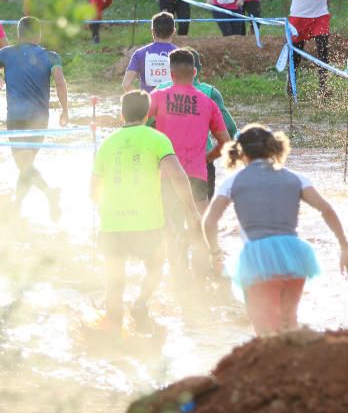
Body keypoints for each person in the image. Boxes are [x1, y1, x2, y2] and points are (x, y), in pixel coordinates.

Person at [202, 124, 348, 336]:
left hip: (257, 259)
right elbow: (327, 209)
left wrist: (215, 252)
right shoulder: (296, 178)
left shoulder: (233, 182)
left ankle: (273, 365)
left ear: (241, 153)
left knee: (265, 330)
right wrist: (344, 247)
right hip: (294, 255)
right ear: (274, 149)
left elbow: (210, 221)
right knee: (289, 322)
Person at [91, 90, 198, 335]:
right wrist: (191, 209)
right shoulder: (158, 139)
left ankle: (113, 340)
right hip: (147, 223)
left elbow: (93, 190)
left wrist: (104, 213)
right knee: (156, 265)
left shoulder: (107, 143)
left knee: (114, 283)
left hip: (112, 225)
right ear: (148, 115)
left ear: (121, 114)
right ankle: (141, 303)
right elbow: (178, 176)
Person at [148, 50, 230, 282]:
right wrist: (206, 157)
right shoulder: (207, 102)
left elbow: (136, 125)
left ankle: (177, 278)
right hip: (196, 173)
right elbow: (225, 142)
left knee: (170, 228)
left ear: (170, 74)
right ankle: (205, 275)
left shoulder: (158, 96)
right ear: (194, 73)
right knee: (201, 225)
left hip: (166, 174)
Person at [0, 17, 69, 218]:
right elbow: (61, 83)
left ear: (18, 35)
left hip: (16, 117)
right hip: (40, 119)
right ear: (39, 35)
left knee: (24, 164)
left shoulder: (6, 54)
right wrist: (65, 110)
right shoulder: (51, 56)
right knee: (26, 164)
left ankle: (47, 194)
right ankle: (19, 205)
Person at [155, 48, 238, 203]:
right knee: (202, 217)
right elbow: (231, 130)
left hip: (167, 165)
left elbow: (145, 125)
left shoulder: (160, 91)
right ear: (196, 70)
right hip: (201, 164)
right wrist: (211, 158)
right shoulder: (210, 93)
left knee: (172, 218)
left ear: (171, 72)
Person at [122, 12, 177, 93]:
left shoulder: (139, 53)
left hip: (149, 103)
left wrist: (142, 99)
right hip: (173, 103)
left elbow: (126, 84)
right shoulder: (182, 54)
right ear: (173, 31)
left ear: (153, 32)